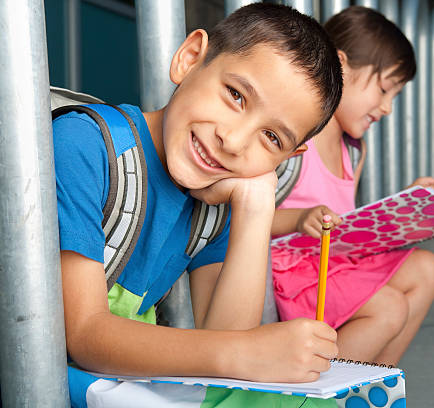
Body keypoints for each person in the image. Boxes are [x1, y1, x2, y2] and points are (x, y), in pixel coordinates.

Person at [54, 4, 343, 407]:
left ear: (289, 157)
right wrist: (248, 352)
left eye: (272, 139)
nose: (234, 141)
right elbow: (83, 335)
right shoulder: (86, 145)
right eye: (236, 95)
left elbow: (225, 344)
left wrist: (256, 204)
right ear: (190, 59)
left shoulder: (217, 200)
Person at [271, 6, 434, 367]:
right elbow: (242, 218)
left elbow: (347, 229)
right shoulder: (299, 139)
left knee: (428, 268)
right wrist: (299, 218)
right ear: (340, 66)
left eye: (394, 97)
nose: (387, 108)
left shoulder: (353, 150)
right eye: (384, 90)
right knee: (389, 307)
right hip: (290, 270)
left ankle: (375, 383)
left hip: (332, 262)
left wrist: (404, 209)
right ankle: (322, 398)